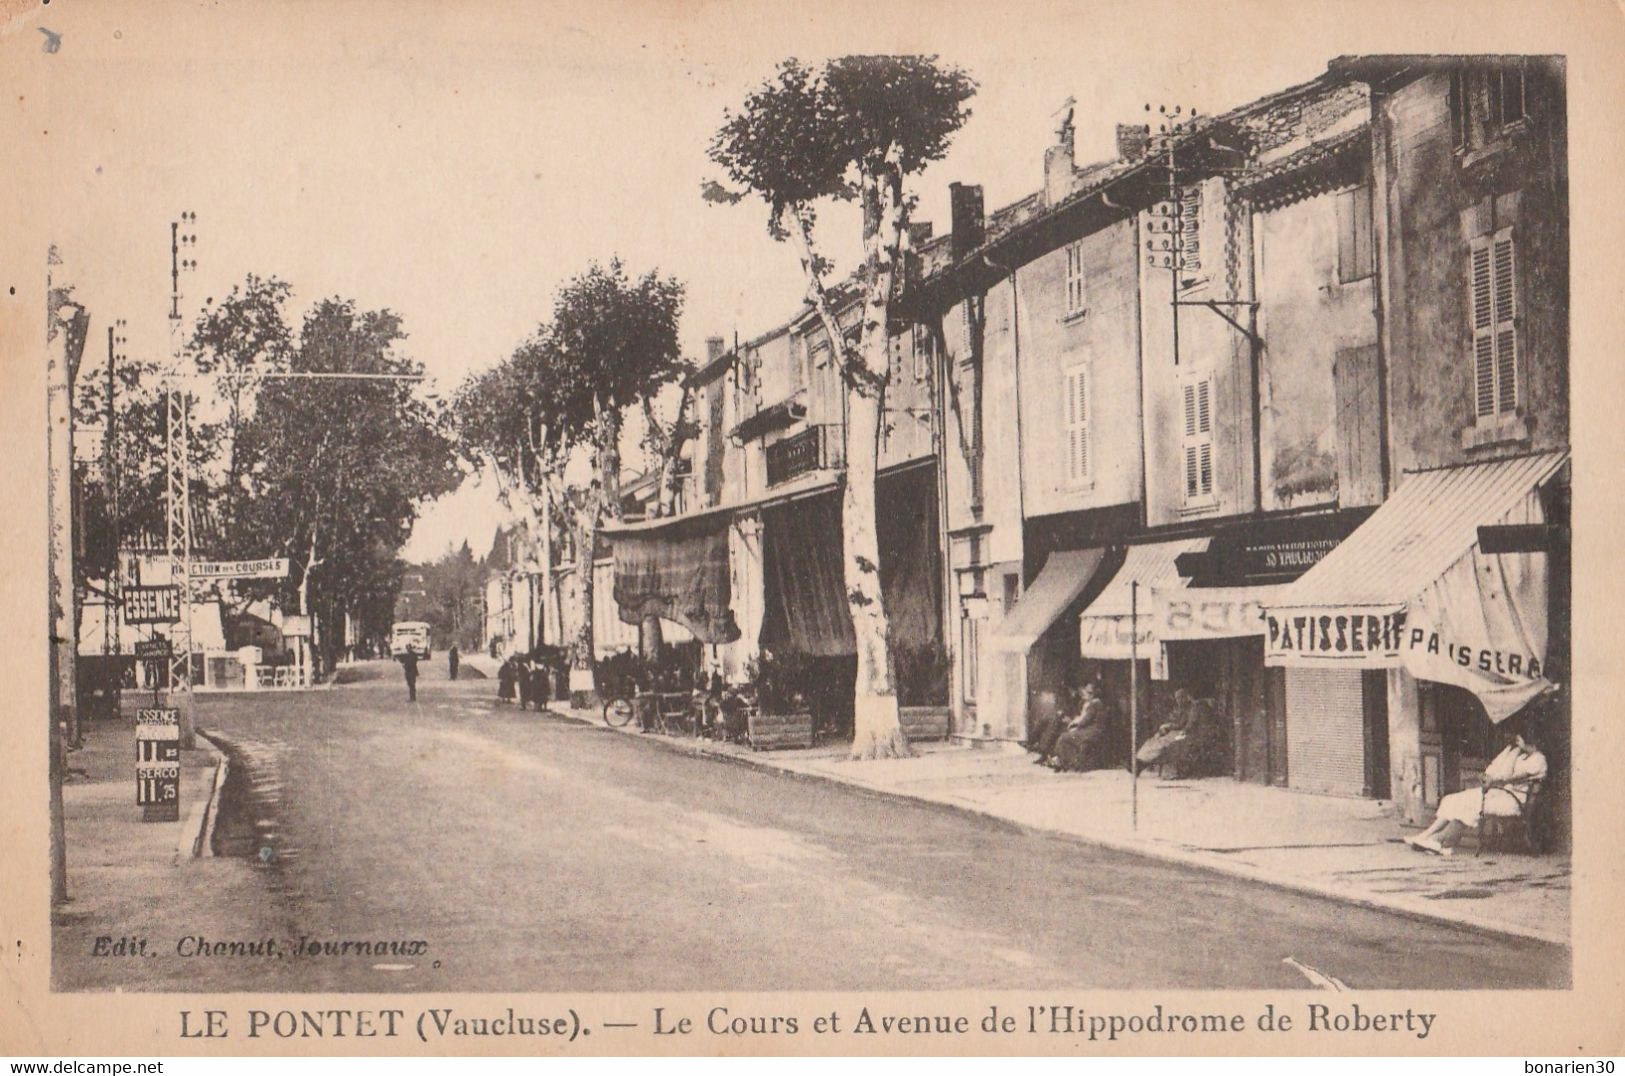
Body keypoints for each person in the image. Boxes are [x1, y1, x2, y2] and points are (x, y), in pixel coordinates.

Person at [1406, 728, 1547, 856]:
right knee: (1453, 799)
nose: (1517, 742)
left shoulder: (1538, 759)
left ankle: (1438, 840)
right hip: (1500, 793)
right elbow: (1498, 774)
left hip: (1514, 801)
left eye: (1519, 739)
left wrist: (1495, 780)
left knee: (1471, 805)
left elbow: (1513, 778)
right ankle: (1427, 836)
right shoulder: (1520, 755)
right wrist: (1490, 776)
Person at [1053, 682, 1109, 772]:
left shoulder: (1095, 704)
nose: (1085, 694)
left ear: (1093, 694)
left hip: (1091, 732)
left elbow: (1084, 721)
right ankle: (1064, 762)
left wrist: (1073, 725)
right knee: (1066, 736)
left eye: (1088, 692)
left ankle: (1064, 762)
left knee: (1063, 737)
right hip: (1092, 731)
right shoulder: (1095, 703)